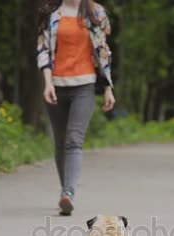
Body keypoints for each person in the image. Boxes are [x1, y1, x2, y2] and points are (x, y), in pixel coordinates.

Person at [37, 0, 115, 216]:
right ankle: (65, 192)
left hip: (84, 86)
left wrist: (108, 88)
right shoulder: (51, 12)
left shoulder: (96, 12)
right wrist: (48, 83)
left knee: (74, 140)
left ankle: (68, 193)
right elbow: (43, 49)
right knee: (60, 141)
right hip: (56, 86)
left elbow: (103, 52)